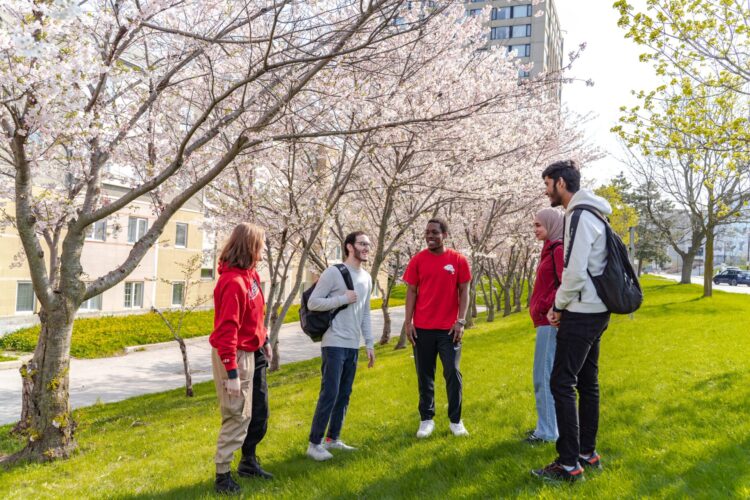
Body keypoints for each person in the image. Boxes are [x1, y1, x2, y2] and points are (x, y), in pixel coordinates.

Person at [532, 160, 613, 483]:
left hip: (582, 310)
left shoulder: (578, 216)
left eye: (548, 183)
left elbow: (575, 271)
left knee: (561, 382)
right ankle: (586, 452)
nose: (546, 189)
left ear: (561, 183)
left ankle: (568, 464)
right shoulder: (595, 213)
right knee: (587, 382)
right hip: (598, 309)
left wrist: (559, 306)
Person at [305, 231, 375, 461]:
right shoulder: (334, 272)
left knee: (344, 393)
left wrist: (370, 344)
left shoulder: (366, 277)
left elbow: (365, 312)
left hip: (353, 345)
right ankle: (314, 444)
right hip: (333, 342)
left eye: (368, 244)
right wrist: (342, 299)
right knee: (330, 392)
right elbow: (314, 302)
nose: (366, 248)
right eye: (361, 244)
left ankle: (332, 439)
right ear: (349, 246)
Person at [209, 223, 268, 494]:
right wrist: (231, 373)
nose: (264, 250)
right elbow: (226, 330)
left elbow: (256, 314)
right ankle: (222, 477)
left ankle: (247, 462)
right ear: (249, 247)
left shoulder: (250, 275)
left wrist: (263, 339)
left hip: (251, 350)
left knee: (254, 413)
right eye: (260, 245)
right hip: (235, 354)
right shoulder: (233, 282)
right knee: (236, 413)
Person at [403, 218, 471, 439]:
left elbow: (464, 292)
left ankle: (456, 420)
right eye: (427, 232)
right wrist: (408, 322)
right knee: (425, 376)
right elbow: (411, 292)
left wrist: (460, 321)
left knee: (452, 372)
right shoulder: (417, 261)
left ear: (445, 235)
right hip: (422, 329)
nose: (430, 236)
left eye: (434, 232)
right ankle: (426, 419)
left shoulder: (458, 260)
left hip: (449, 330)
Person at [526, 208, 565, 444]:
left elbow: (566, 283)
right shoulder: (549, 248)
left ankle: (548, 432)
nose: (535, 230)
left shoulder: (557, 248)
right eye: (534, 225)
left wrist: (547, 305)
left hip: (549, 321)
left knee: (543, 376)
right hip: (545, 320)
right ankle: (546, 428)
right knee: (545, 375)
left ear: (551, 224)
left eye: (539, 225)